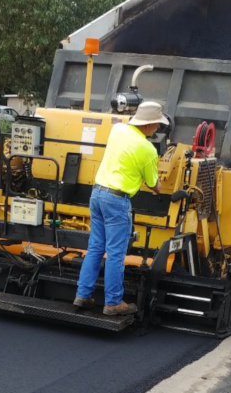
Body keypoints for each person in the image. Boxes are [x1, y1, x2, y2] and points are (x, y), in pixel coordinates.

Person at [74, 101, 167, 316]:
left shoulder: (117, 130)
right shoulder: (148, 149)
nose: (158, 129)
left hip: (97, 194)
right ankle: (113, 302)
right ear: (149, 124)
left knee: (96, 247)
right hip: (117, 201)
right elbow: (156, 187)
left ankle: (83, 295)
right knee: (115, 253)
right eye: (157, 125)